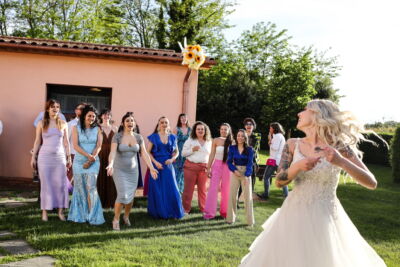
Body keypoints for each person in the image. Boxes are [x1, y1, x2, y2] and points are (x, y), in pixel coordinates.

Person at [240, 99, 386, 267]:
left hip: (326, 216)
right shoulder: (292, 144)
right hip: (293, 214)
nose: (299, 114)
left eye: (304, 110)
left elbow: (371, 182)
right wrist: (297, 167)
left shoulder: (339, 146)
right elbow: (279, 182)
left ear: (318, 114)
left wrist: (341, 162)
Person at [106, 112, 158, 230]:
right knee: (122, 194)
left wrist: (151, 167)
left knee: (130, 196)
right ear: (123, 123)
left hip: (133, 171)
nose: (130, 123)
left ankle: (126, 216)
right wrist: (111, 164)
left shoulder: (138, 137)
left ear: (134, 124)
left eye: (132, 121)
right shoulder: (117, 136)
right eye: (127, 121)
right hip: (119, 170)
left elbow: (144, 153)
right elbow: (113, 152)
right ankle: (116, 219)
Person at [30, 99, 70, 221]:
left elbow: (66, 142)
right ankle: (44, 212)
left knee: (61, 184)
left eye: (57, 107)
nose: (55, 109)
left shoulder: (63, 123)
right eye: (52, 107)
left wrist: (69, 157)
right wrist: (33, 157)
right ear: (48, 108)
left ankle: (61, 211)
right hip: (44, 157)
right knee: (46, 185)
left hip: (60, 157)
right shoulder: (41, 123)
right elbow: (37, 141)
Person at [67, 104, 105, 225]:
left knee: (91, 187)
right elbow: (75, 146)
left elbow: (99, 145)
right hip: (79, 161)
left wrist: (92, 158)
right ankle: (80, 215)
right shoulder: (75, 128)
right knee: (80, 188)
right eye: (89, 116)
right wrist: (88, 156)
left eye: (93, 116)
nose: (91, 118)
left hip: (94, 161)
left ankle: (93, 216)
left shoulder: (98, 129)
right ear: (84, 116)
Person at [147, 116, 184, 219]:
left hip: (168, 165)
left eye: (166, 122)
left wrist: (172, 160)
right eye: (162, 122)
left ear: (168, 124)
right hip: (156, 165)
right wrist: (155, 162)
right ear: (159, 124)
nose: (164, 124)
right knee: (157, 188)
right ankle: (158, 211)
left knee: (171, 188)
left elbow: (177, 152)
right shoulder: (153, 137)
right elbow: (148, 152)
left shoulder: (173, 137)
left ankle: (171, 210)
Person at [203, 123, 233, 219]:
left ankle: (225, 212)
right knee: (213, 188)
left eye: (225, 129)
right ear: (220, 130)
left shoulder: (232, 141)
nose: (223, 131)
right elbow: (212, 154)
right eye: (222, 129)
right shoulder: (215, 140)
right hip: (217, 165)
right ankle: (209, 213)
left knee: (226, 189)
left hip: (228, 166)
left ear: (229, 131)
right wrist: (208, 168)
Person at [181, 121, 212, 214]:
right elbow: (183, 153)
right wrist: (192, 149)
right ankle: (185, 209)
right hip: (190, 167)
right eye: (198, 129)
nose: (200, 130)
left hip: (204, 168)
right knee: (188, 190)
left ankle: (204, 209)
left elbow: (211, 155)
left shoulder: (209, 141)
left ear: (205, 131)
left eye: (202, 129)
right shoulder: (190, 140)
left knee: (203, 190)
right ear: (195, 130)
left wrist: (210, 168)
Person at [226, 129, 254, 227]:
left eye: (242, 136)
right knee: (232, 196)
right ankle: (230, 218)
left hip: (246, 173)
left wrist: (247, 176)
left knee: (248, 197)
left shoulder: (250, 149)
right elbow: (229, 162)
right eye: (238, 135)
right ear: (236, 136)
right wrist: (234, 170)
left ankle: (250, 221)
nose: (240, 137)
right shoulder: (232, 148)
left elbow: (250, 163)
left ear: (245, 138)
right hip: (235, 172)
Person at [257, 122, 288, 200]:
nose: (269, 129)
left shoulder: (277, 136)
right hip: (279, 160)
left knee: (266, 177)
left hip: (274, 161)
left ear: (274, 129)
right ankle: (286, 194)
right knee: (281, 178)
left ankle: (266, 194)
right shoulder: (281, 136)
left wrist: (270, 140)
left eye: (270, 128)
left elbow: (275, 148)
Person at [97, 109, 118, 209]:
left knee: (111, 177)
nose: (106, 116)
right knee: (100, 176)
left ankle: (111, 201)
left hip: (112, 154)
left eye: (108, 115)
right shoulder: (97, 127)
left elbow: (118, 143)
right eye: (104, 114)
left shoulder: (115, 128)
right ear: (101, 116)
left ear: (110, 116)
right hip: (100, 154)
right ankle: (100, 202)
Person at [172, 113, 191, 194]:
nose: (183, 119)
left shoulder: (191, 129)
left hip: (187, 152)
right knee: (177, 171)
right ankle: (175, 190)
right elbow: (173, 142)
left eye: (184, 118)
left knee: (184, 172)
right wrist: (173, 152)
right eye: (181, 118)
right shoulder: (176, 129)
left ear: (187, 119)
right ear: (179, 120)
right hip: (178, 152)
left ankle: (182, 191)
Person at [67, 103, 86, 182]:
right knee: (69, 176)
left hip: (85, 154)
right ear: (76, 111)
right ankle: (64, 193)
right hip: (73, 154)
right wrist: (67, 155)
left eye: (83, 109)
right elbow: (66, 139)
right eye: (80, 109)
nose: (82, 111)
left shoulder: (89, 125)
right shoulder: (70, 124)